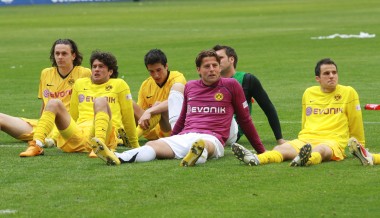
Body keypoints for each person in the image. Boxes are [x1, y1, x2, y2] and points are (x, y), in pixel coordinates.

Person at [92, 49, 266, 166]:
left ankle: (197, 155)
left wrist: (261, 151)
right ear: (198, 69)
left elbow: (245, 119)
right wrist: (171, 139)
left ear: (220, 68)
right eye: (207, 66)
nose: (212, 69)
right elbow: (183, 116)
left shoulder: (231, 85)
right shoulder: (191, 86)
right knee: (154, 145)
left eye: (215, 66)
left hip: (214, 136)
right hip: (187, 134)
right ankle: (117, 157)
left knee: (205, 145)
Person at [232, 58, 365, 167]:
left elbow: (356, 120)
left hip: (333, 140)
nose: (331, 76)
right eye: (326, 73)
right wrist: (303, 139)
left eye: (334, 72)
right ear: (318, 78)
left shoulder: (348, 92)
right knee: (280, 149)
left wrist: (360, 147)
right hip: (306, 139)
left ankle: (306, 159)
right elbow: (305, 120)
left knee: (321, 150)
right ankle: (256, 159)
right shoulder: (309, 93)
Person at [20, 51, 138, 161]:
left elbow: (128, 117)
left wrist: (135, 145)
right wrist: (54, 138)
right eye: (94, 66)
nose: (96, 69)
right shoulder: (80, 84)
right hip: (79, 134)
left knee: (100, 101)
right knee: (54, 102)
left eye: (101, 66)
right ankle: (36, 145)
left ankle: (99, 146)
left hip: (104, 132)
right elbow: (73, 116)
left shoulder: (119, 84)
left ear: (110, 71)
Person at [0, 39, 91, 156]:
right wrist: (42, 125)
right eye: (57, 53)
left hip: (68, 127)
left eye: (64, 53)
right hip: (45, 126)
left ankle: (44, 142)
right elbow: (44, 105)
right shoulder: (46, 73)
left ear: (73, 55)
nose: (60, 57)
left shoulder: (84, 73)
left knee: (55, 103)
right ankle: (44, 138)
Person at [213, 45, 285, 145]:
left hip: (232, 130)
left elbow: (268, 108)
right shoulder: (210, 80)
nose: (216, 62)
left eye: (220, 58)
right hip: (211, 124)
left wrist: (279, 139)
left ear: (231, 59)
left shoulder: (247, 80)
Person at [133, 49, 186, 140]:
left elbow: (173, 101)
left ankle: (133, 138)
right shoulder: (145, 85)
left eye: (158, 70)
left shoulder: (177, 78)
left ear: (166, 66)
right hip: (150, 129)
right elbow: (140, 112)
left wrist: (150, 111)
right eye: (151, 71)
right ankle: (121, 134)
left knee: (159, 106)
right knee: (128, 103)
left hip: (171, 131)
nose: (156, 75)